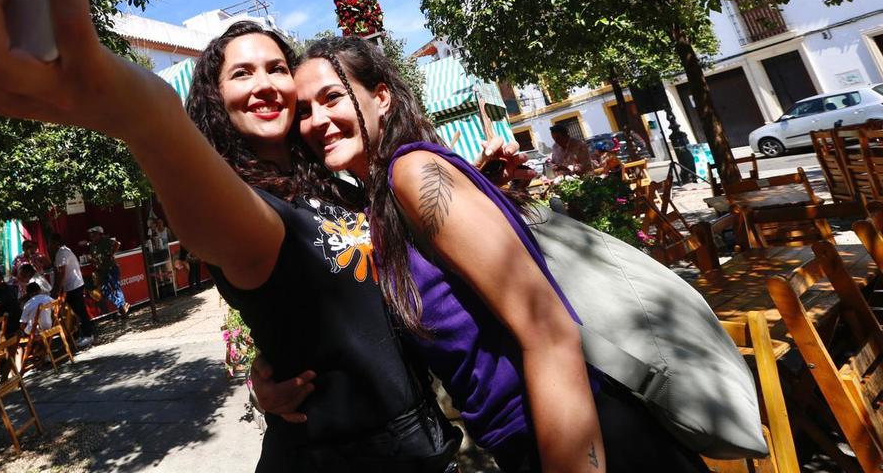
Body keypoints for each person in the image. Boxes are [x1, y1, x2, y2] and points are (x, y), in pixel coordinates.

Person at [0, 0, 458, 472]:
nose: (265, 83)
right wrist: (143, 113)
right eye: (241, 73)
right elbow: (229, 228)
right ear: (216, 99)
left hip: (425, 439)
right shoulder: (250, 209)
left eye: (276, 68)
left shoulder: (339, 188)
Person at [292, 36, 705, 472]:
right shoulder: (382, 203)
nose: (317, 120)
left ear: (381, 97)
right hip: (530, 443)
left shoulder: (412, 172)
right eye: (303, 110)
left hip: (580, 436)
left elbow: (549, 331)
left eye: (332, 97)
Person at [48, 232, 96, 349]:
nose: (49, 246)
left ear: (56, 243)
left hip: (73, 286)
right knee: (77, 311)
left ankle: (88, 335)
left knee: (80, 311)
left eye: (50, 243)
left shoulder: (61, 253)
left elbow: (62, 273)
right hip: (73, 285)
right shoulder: (63, 251)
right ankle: (85, 333)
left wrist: (57, 290)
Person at [87, 226, 130, 319]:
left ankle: (122, 309)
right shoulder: (92, 245)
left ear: (99, 234)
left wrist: (111, 254)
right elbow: (91, 256)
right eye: (91, 234)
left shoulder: (105, 241)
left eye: (94, 234)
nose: (92, 236)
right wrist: (92, 259)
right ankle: (122, 306)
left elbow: (117, 244)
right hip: (102, 270)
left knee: (116, 287)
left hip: (111, 268)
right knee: (105, 290)